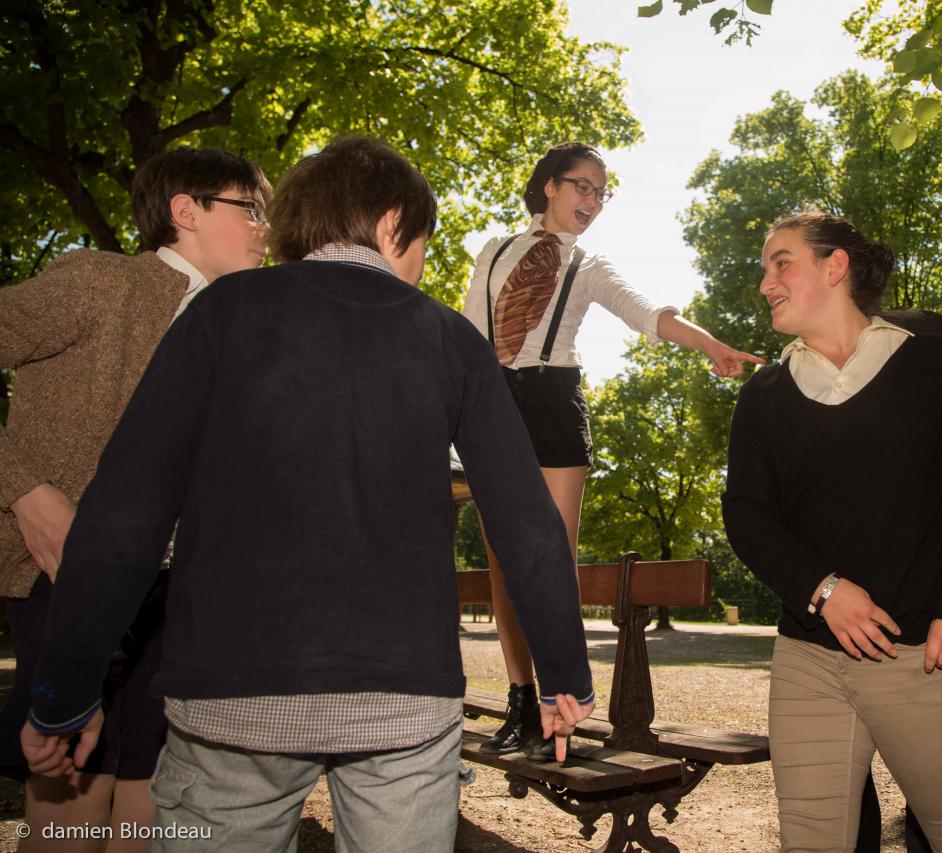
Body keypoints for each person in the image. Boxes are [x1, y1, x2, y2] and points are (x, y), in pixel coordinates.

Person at [19, 136, 595, 852]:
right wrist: (564, 675)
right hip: (404, 701)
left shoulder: (219, 313)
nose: (419, 265)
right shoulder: (450, 338)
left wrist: (65, 694)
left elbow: (124, 518)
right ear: (391, 225)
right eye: (420, 242)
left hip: (231, 696)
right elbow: (525, 522)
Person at [722, 211, 942, 852]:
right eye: (764, 268)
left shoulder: (941, 367)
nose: (765, 282)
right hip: (807, 659)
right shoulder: (763, 396)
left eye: (781, 263)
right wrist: (823, 589)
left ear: (835, 268)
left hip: (926, 657)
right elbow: (747, 515)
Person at [0, 146, 270, 851]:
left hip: (181, 602)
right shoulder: (96, 282)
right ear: (186, 211)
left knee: (147, 823)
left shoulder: (245, 332)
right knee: (67, 820)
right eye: (252, 208)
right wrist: (24, 489)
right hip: (69, 582)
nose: (267, 227)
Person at [460, 141, 761, 757]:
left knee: (551, 556)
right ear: (549, 185)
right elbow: (467, 339)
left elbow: (646, 313)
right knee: (502, 561)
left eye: (602, 192)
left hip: (553, 403)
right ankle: (521, 699)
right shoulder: (494, 252)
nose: (593, 202)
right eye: (583, 187)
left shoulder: (590, 265)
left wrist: (711, 347)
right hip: (492, 402)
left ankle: (559, 703)